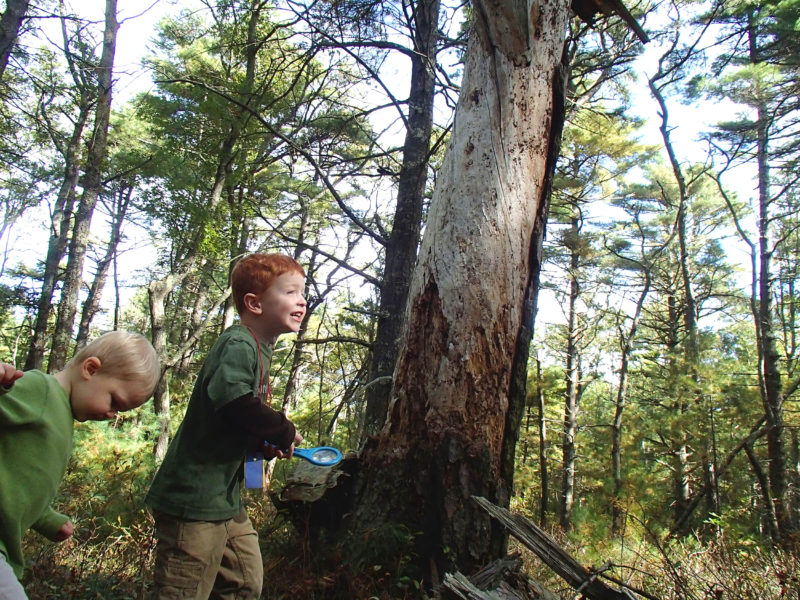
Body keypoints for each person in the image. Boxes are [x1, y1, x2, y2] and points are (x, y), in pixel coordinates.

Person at [146, 253, 306, 600]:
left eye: (303, 293)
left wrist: (260, 446)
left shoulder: (261, 350)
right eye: (291, 292)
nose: (302, 300)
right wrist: (281, 429)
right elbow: (232, 401)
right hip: (195, 500)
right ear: (254, 303)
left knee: (245, 583)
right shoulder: (238, 343)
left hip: (225, 500)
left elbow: (237, 417)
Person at [0, 331, 161, 600]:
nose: (112, 415)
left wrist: (47, 519)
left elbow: (21, 481)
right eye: (114, 402)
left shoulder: (60, 415)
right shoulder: (41, 390)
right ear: (90, 369)